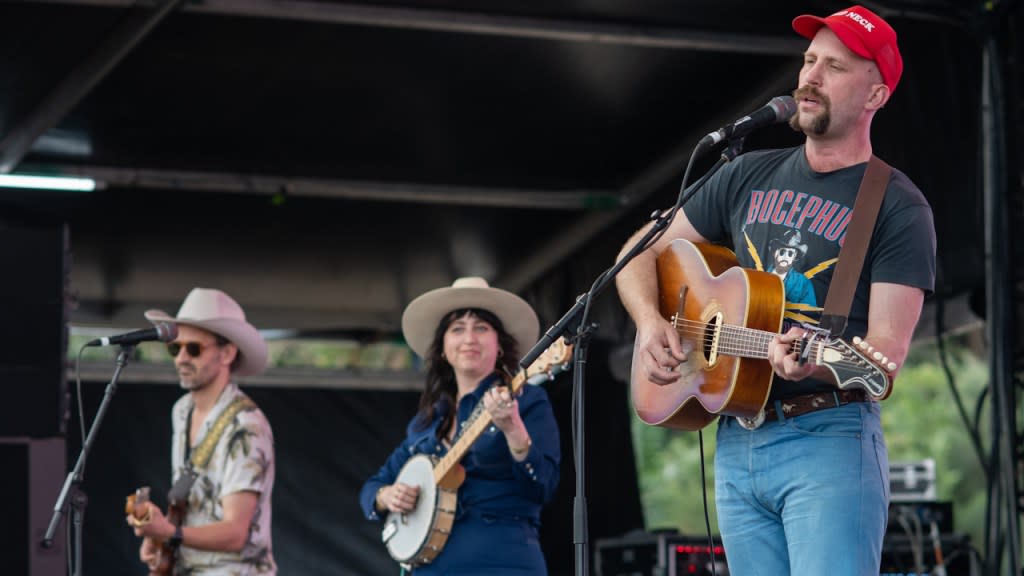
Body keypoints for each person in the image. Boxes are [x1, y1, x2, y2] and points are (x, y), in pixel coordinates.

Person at [615, 6, 935, 575]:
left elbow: (884, 356)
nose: (809, 76)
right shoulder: (744, 173)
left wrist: (813, 362)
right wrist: (649, 321)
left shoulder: (896, 205)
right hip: (737, 438)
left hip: (828, 438)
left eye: (834, 67)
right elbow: (639, 251)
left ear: (875, 96)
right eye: (809, 60)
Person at [359, 277, 561, 575]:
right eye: (457, 329)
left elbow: (544, 485)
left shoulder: (526, 399)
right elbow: (372, 487)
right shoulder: (427, 421)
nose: (469, 338)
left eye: (481, 327)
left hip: (503, 563)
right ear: (442, 348)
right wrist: (386, 496)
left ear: (500, 345)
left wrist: (513, 428)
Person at [127, 287, 277, 574]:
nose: (181, 357)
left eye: (193, 349)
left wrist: (169, 532)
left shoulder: (246, 426)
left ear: (228, 353)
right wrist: (160, 537)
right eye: (175, 348)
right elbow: (191, 505)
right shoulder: (182, 411)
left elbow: (236, 533)